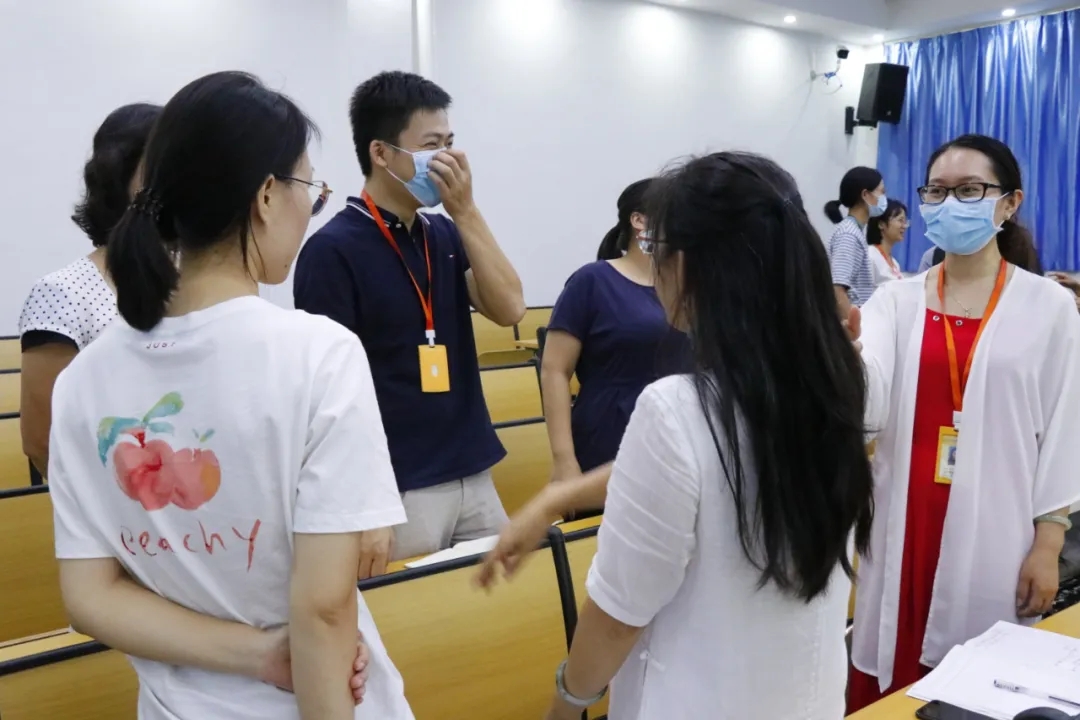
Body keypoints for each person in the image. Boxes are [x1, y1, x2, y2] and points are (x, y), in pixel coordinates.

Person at [48, 71, 412, 720]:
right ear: (267, 195)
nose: (310, 211)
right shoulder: (317, 355)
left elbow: (91, 597)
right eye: (310, 190)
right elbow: (324, 610)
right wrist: (277, 656)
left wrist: (258, 655)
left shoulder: (83, 380)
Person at [531, 152, 874, 720]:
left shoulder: (673, 409)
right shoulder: (839, 383)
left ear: (687, 265)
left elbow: (617, 615)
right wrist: (565, 492)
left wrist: (566, 704)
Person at [847, 134, 1080, 711]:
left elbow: (1064, 430)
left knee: (981, 680)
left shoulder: (1049, 307)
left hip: (998, 523)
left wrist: (1049, 544)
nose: (950, 203)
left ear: (1010, 202)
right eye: (937, 191)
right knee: (891, 668)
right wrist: (837, 361)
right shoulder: (895, 303)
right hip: (904, 516)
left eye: (970, 190)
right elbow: (866, 401)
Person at [293, 71, 525, 571]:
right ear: (381, 153)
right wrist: (362, 500)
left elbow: (510, 308)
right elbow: (326, 395)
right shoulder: (332, 251)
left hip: (472, 470)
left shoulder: (445, 233)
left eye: (450, 144)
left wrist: (466, 212)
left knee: (508, 601)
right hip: (398, 486)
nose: (447, 160)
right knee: (420, 614)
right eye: (431, 145)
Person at [18, 103, 161, 478]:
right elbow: (42, 441)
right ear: (119, 175)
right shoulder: (61, 293)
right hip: (107, 505)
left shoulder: (197, 282)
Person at [542, 179, 688, 496]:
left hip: (677, 433)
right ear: (639, 221)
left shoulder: (687, 286)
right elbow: (555, 370)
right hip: (609, 433)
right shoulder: (592, 280)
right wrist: (564, 459)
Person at [826, 166, 886, 315]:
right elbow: (838, 289)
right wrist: (854, 327)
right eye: (882, 192)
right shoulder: (848, 234)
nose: (884, 198)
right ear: (865, 195)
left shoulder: (853, 231)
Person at [867, 199, 909, 286]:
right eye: (900, 220)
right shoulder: (870, 256)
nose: (904, 226)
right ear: (881, 224)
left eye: (905, 221)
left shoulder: (895, 263)